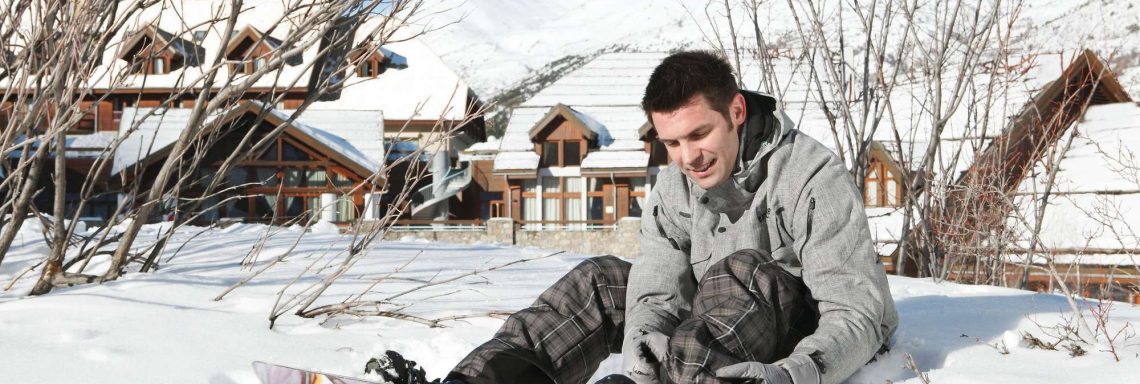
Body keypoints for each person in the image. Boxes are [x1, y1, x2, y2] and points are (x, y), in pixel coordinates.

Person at [380, 50, 897, 384]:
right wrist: (646, 334)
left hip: (792, 335)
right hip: (707, 328)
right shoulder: (675, 183)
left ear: (736, 112)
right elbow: (655, 286)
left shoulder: (812, 177)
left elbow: (858, 315)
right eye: (672, 142)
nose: (687, 157)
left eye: (699, 135)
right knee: (601, 280)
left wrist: (794, 374)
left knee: (739, 271)